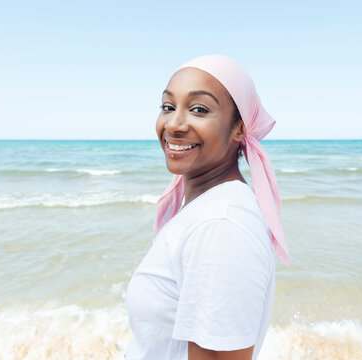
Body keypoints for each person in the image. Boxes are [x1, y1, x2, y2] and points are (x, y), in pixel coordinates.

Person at [125, 54, 291, 360]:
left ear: (239, 128)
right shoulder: (208, 209)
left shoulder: (221, 224)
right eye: (168, 106)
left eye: (199, 109)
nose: (174, 124)